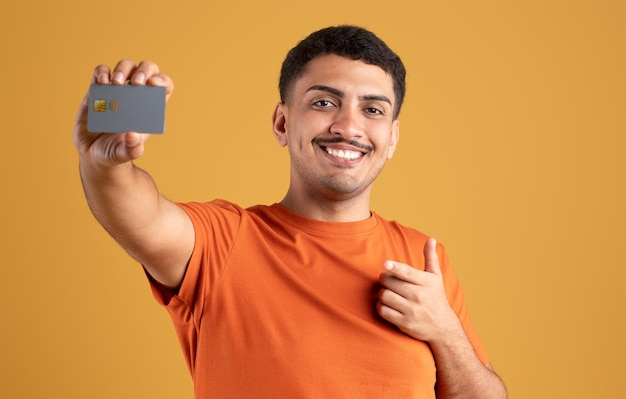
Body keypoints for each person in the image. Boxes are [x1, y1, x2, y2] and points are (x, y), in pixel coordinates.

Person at [74, 25, 506, 398]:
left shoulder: (424, 260)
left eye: (372, 110)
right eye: (323, 103)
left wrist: (446, 333)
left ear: (392, 138)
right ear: (282, 123)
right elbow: (140, 217)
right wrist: (103, 165)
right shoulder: (223, 242)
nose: (348, 126)